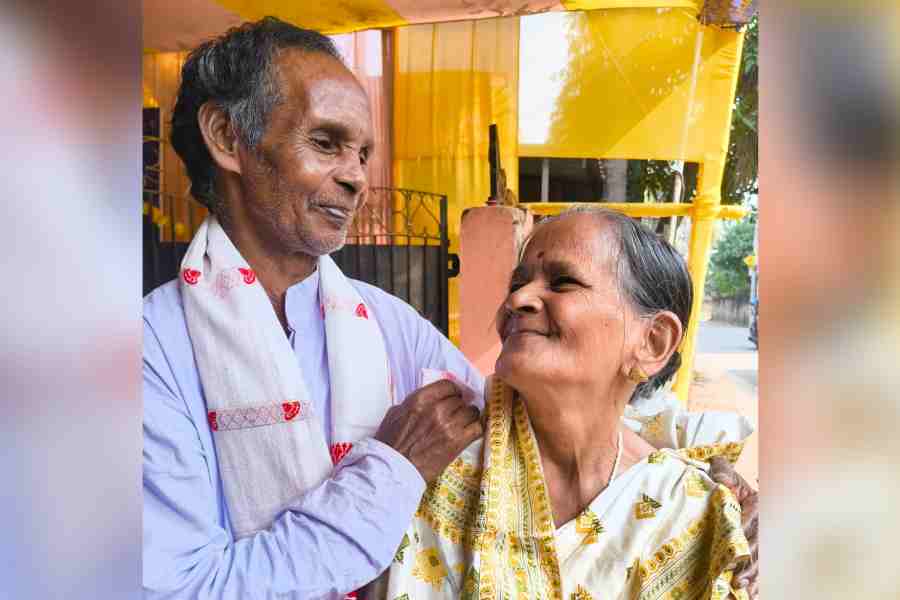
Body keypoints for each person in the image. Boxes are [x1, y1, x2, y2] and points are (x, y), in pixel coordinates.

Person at [143, 17, 758, 599]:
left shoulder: (382, 325)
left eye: (363, 154)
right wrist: (390, 472)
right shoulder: (148, 354)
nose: (356, 177)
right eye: (327, 143)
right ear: (228, 138)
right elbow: (177, 588)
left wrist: (692, 474)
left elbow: (535, 413)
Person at [366, 208, 752, 600]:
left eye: (563, 282)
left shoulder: (690, 512)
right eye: (517, 283)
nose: (517, 299)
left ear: (652, 341)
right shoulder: (435, 458)